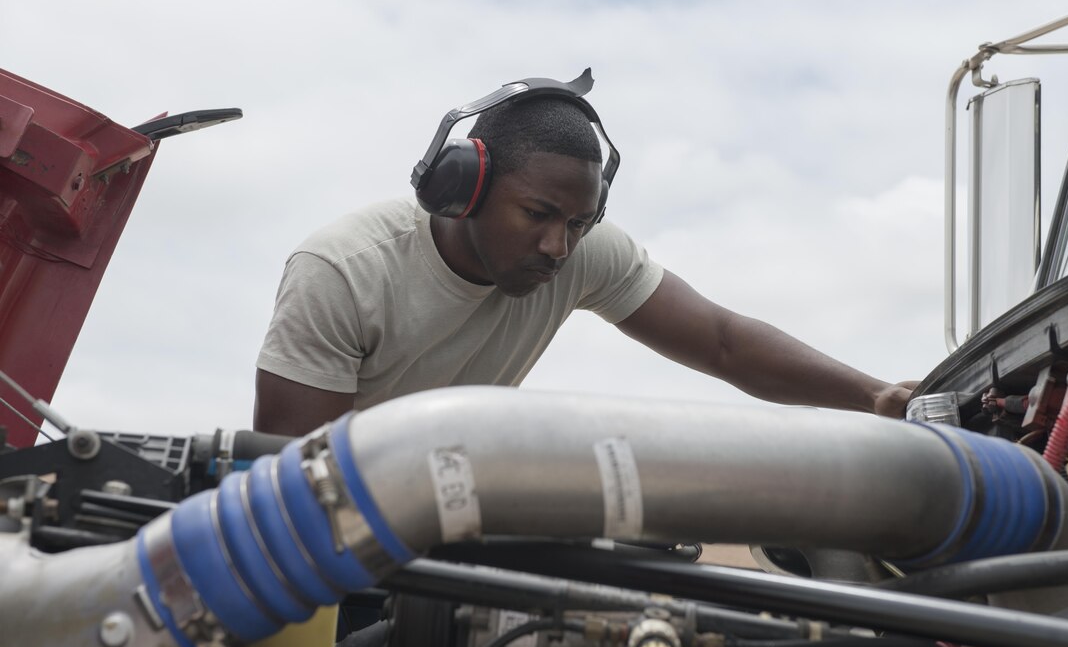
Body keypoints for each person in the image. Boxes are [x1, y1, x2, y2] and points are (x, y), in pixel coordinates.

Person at [254, 77, 914, 437]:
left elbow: (722, 342)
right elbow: (284, 489)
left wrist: (875, 395)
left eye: (579, 222)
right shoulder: (342, 272)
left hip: (436, 529)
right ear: (464, 186)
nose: (558, 246)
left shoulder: (580, 251)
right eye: (538, 215)